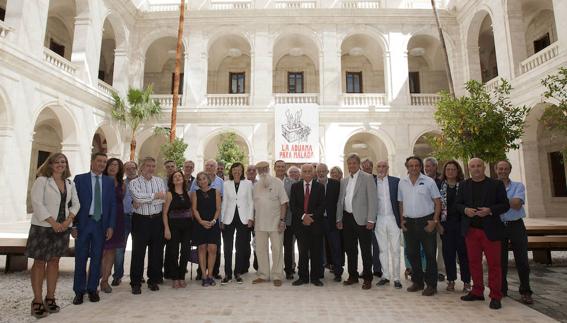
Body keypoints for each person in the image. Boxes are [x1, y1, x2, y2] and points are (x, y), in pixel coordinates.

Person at [27, 153, 80, 318]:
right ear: (50, 164)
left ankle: (50, 297)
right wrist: (53, 222)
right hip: (43, 227)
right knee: (39, 262)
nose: (60, 164)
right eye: (56, 162)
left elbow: (76, 203)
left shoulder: (70, 183)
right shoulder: (42, 180)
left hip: (62, 228)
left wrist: (68, 221)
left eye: (63, 162)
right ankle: (36, 301)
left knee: (54, 262)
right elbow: (36, 202)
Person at [456, 158, 509, 310]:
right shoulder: (464, 185)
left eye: (479, 165)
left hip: (490, 230)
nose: (476, 168)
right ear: (469, 168)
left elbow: (505, 205)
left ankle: (495, 296)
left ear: (484, 167)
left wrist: (490, 210)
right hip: (471, 230)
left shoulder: (496, 184)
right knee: (473, 263)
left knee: (494, 265)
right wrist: (465, 210)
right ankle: (477, 291)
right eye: (473, 166)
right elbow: (458, 204)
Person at [73, 152, 116, 305]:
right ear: (92, 162)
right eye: (99, 161)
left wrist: (111, 225)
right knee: (81, 258)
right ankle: (79, 291)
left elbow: (112, 205)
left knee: (97, 258)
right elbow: (73, 203)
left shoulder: (109, 181)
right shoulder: (80, 179)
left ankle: (92, 289)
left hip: (100, 225)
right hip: (83, 224)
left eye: (104, 162)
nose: (102, 164)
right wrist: (73, 225)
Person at [398, 156, 441, 296]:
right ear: (407, 167)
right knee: (412, 253)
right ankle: (417, 282)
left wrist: (434, 221)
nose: (414, 168)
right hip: (409, 222)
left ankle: (431, 285)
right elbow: (401, 203)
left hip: (426, 222)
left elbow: (438, 203)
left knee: (429, 254)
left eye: (416, 165)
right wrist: (401, 220)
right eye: (411, 165)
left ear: (420, 166)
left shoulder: (429, 181)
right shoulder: (402, 183)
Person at [336, 153, 377, 290]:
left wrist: (371, 219)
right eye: (350, 163)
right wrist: (339, 218)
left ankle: (367, 278)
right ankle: (352, 276)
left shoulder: (368, 177)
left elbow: (373, 200)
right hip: (347, 218)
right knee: (350, 249)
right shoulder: (344, 181)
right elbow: (340, 201)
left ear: (358, 164)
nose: (352, 166)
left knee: (365, 250)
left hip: (363, 219)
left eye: (354, 163)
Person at [495, 160, 533, 304]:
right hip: (499, 226)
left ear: (510, 170)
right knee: (500, 261)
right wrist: (507, 202)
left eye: (505, 168)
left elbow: (517, 205)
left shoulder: (518, 186)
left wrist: (499, 202)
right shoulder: (492, 186)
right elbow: (511, 202)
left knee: (522, 260)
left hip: (516, 225)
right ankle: (502, 290)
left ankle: (526, 291)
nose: (503, 171)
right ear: (496, 170)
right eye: (500, 169)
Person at [128, 157, 167, 294]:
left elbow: (162, 199)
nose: (151, 168)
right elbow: (137, 198)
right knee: (138, 252)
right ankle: (136, 282)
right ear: (141, 167)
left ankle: (153, 280)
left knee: (156, 252)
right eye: (148, 166)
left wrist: (147, 198)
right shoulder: (134, 183)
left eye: (153, 166)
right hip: (141, 221)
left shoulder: (159, 181)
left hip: (157, 220)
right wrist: (154, 196)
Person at [252, 161, 289, 287]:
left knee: (277, 249)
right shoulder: (256, 186)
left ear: (268, 169)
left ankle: (277, 275)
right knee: (260, 250)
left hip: (275, 223)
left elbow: (284, 203)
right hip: (259, 224)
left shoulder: (277, 182)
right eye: (259, 169)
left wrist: (282, 220)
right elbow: (253, 206)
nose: (262, 171)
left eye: (264, 169)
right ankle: (263, 275)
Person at [289, 164, 325, 286]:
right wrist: (304, 217)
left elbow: (322, 205)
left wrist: (311, 217)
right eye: (305, 171)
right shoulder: (295, 187)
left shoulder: (320, 187)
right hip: (300, 225)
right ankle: (303, 277)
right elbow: (293, 206)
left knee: (316, 252)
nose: (307, 173)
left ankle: (315, 278)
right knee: (302, 252)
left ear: (313, 172)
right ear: (302, 173)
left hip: (316, 224)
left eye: (310, 171)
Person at [439, 160, 470, 292]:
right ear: (445, 172)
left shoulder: (464, 185)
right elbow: (436, 206)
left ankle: (467, 281)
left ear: (458, 171)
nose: (450, 171)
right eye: (448, 169)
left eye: (453, 169)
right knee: (448, 253)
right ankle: (451, 280)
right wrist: (438, 224)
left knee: (463, 254)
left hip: (461, 224)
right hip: (446, 224)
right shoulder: (440, 186)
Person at [220, 163, 254, 285]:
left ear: (242, 171)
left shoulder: (248, 184)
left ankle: (238, 273)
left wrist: (251, 218)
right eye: (235, 170)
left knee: (241, 247)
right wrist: (222, 220)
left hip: (243, 219)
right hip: (228, 218)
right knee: (227, 248)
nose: (237, 172)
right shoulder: (226, 184)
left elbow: (251, 202)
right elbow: (224, 203)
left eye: (239, 170)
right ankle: (228, 274)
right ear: (231, 171)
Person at [190, 159, 224, 280]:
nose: (202, 181)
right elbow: (194, 209)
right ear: (197, 182)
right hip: (200, 224)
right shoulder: (195, 192)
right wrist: (201, 222)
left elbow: (219, 208)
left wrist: (214, 221)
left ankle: (211, 274)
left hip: (213, 223)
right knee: (202, 248)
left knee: (213, 248)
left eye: (204, 179)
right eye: (200, 180)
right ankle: (203, 275)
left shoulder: (217, 190)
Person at [374, 161, 403, 289]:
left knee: (396, 249)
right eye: (379, 167)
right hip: (379, 218)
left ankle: (397, 278)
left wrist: (402, 219)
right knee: (382, 249)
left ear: (388, 168)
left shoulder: (396, 181)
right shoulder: (372, 182)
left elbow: (401, 200)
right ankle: (385, 276)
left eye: (384, 166)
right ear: (376, 169)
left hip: (393, 218)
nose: (381, 169)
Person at [100, 158, 126, 294]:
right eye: (111, 164)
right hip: (103, 218)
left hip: (118, 219)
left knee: (111, 251)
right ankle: (92, 279)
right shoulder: (101, 180)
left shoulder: (122, 183)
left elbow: (121, 200)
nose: (113, 167)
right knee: (100, 251)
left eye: (116, 165)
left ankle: (105, 280)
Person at [163, 170, 193, 288]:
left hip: (187, 226)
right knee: (173, 252)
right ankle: (175, 277)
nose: (177, 178)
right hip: (173, 225)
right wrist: (166, 228)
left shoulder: (188, 193)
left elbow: (191, 211)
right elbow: (165, 213)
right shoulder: (169, 194)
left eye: (179, 176)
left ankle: (181, 276)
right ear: (172, 180)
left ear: (183, 178)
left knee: (185, 252)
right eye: (175, 177)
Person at [112, 160, 137, 287]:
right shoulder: (120, 183)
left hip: (138, 218)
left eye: (133, 168)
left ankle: (136, 275)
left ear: (136, 169)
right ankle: (117, 275)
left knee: (138, 249)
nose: (131, 170)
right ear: (125, 170)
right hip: (123, 217)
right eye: (128, 168)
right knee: (119, 249)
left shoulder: (141, 183)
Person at [316, 163, 343, 282]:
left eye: (323, 171)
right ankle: (320, 272)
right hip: (318, 222)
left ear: (327, 172)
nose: (321, 173)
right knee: (319, 248)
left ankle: (338, 272)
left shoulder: (336, 184)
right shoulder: (313, 185)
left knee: (335, 247)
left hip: (332, 221)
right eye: (318, 171)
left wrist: (339, 219)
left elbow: (340, 203)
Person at [424, 156, 446, 282]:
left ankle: (441, 271)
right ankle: (428, 269)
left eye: (429, 166)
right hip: (426, 219)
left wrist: (437, 220)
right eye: (426, 166)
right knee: (428, 246)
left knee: (440, 245)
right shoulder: (421, 180)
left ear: (435, 167)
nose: (427, 169)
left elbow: (442, 201)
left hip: (440, 218)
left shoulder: (441, 181)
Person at [275, 161, 297, 280]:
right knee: (275, 246)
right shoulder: (270, 182)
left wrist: (287, 204)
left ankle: (289, 270)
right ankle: (276, 270)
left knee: (288, 246)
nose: (280, 168)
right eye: (278, 166)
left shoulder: (293, 183)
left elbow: (294, 202)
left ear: (285, 168)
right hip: (273, 219)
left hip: (288, 220)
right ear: (274, 168)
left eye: (282, 167)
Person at [362, 158, 382, 278]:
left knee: (376, 244)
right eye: (364, 167)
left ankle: (377, 269)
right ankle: (366, 270)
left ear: (372, 167)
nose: (366, 168)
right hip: (363, 217)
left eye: (369, 167)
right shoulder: (360, 179)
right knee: (365, 246)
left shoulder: (377, 179)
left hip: (377, 216)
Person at [246, 164, 258, 272]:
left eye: (253, 170)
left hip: (258, 219)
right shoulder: (242, 184)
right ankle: (244, 265)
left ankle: (258, 265)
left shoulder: (260, 184)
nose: (251, 172)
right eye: (249, 170)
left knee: (257, 243)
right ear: (246, 172)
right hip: (245, 218)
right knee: (245, 243)